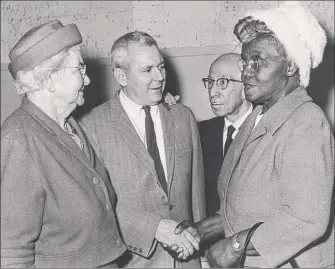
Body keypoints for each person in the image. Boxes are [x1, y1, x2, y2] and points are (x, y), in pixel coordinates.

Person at [175, 1, 334, 267]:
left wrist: (234, 246)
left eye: (257, 62)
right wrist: (202, 229)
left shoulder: (306, 122)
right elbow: (244, 208)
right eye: (245, 62)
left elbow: (307, 218)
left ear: (291, 66)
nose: (246, 72)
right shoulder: (256, 117)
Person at [1, 20, 127, 268]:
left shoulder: (69, 126)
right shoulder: (19, 140)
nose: (87, 80)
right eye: (78, 70)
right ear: (48, 80)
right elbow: (11, 252)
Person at [78, 31, 206, 268]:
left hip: (189, 260)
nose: (159, 77)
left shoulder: (183, 116)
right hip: (134, 262)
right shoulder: (92, 127)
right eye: (147, 70)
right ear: (121, 76)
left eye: (161, 66)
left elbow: (197, 195)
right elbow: (97, 209)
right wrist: (153, 227)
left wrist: (202, 246)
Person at [198, 53, 252, 217]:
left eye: (222, 82)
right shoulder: (200, 132)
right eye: (210, 82)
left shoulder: (266, 129)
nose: (212, 92)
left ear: (246, 86)